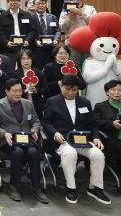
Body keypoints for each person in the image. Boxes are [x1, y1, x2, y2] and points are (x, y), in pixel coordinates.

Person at [42, 75, 110, 204]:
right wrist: (54, 132)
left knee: (98, 154)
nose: (70, 92)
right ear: (61, 86)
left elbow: (92, 124)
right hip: (62, 140)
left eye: (74, 90)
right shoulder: (52, 101)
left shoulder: (85, 102)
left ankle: (95, 187)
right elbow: (46, 122)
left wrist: (96, 137)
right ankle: (71, 188)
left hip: (82, 140)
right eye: (67, 89)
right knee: (70, 153)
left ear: (78, 89)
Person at [0, 79, 48, 203]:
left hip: (27, 139)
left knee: (34, 152)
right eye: (14, 91)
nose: (18, 93)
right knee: (18, 152)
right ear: (7, 91)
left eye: (20, 90)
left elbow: (36, 121)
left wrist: (34, 130)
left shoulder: (28, 104)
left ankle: (36, 187)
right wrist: (4, 133)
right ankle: (14, 186)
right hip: (9, 141)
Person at [58, 0, 97, 69]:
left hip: (88, 43)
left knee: (87, 67)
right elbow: (61, 28)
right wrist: (69, 18)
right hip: (71, 43)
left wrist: (81, 13)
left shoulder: (90, 8)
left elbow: (95, 24)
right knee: (73, 67)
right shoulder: (65, 10)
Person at [0, 0, 35, 68]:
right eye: (11, 1)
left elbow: (32, 30)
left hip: (24, 47)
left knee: (24, 68)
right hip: (8, 49)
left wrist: (28, 40)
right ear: (8, 3)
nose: (13, 2)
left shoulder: (27, 15)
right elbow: (0, 32)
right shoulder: (2, 16)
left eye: (15, 0)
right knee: (9, 69)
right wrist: (6, 42)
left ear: (19, 2)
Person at [14, 49, 48, 119]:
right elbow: (12, 90)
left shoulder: (38, 73)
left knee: (37, 123)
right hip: (20, 104)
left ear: (32, 59)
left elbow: (45, 89)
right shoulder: (15, 74)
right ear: (19, 60)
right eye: (23, 59)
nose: (26, 61)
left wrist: (36, 90)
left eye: (28, 58)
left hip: (37, 104)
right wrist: (25, 90)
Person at [31, 0, 60, 69]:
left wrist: (56, 40)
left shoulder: (52, 17)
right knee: (37, 69)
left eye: (43, 3)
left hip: (51, 49)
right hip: (37, 49)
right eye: (38, 3)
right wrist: (35, 41)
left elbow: (57, 31)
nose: (41, 5)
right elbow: (29, 32)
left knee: (51, 69)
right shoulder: (31, 18)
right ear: (34, 5)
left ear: (46, 5)